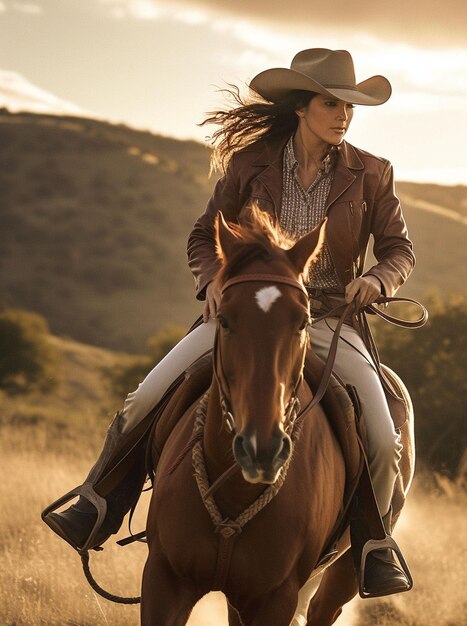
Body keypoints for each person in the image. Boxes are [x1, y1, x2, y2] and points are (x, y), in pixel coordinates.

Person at [43, 48, 415, 597]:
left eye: (349, 106)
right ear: (302, 107)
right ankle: (99, 501)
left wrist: (378, 280)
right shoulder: (251, 164)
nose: (343, 115)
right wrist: (215, 281)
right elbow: (202, 236)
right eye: (331, 103)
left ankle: (372, 546)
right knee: (145, 398)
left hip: (331, 320)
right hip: (243, 314)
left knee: (383, 436)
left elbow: (399, 249)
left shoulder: (372, 173)